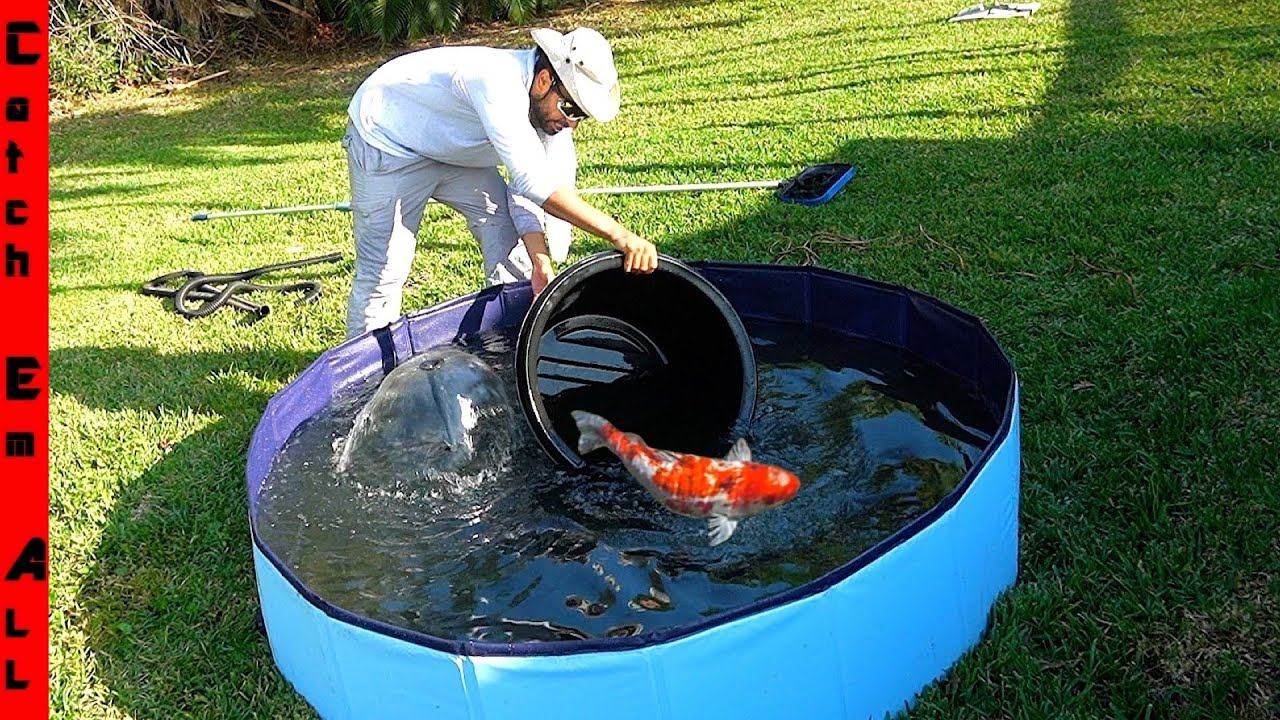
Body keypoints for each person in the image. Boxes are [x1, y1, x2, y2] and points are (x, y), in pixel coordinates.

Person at [342, 26, 658, 339]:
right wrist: (621, 235)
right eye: (570, 109)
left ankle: (516, 343)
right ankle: (365, 380)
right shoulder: (495, 82)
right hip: (389, 141)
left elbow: (528, 193)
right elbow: (535, 183)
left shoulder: (549, 117)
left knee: (512, 240)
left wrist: (540, 263)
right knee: (384, 269)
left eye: (581, 116)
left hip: (454, 152)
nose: (571, 123)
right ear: (545, 80)